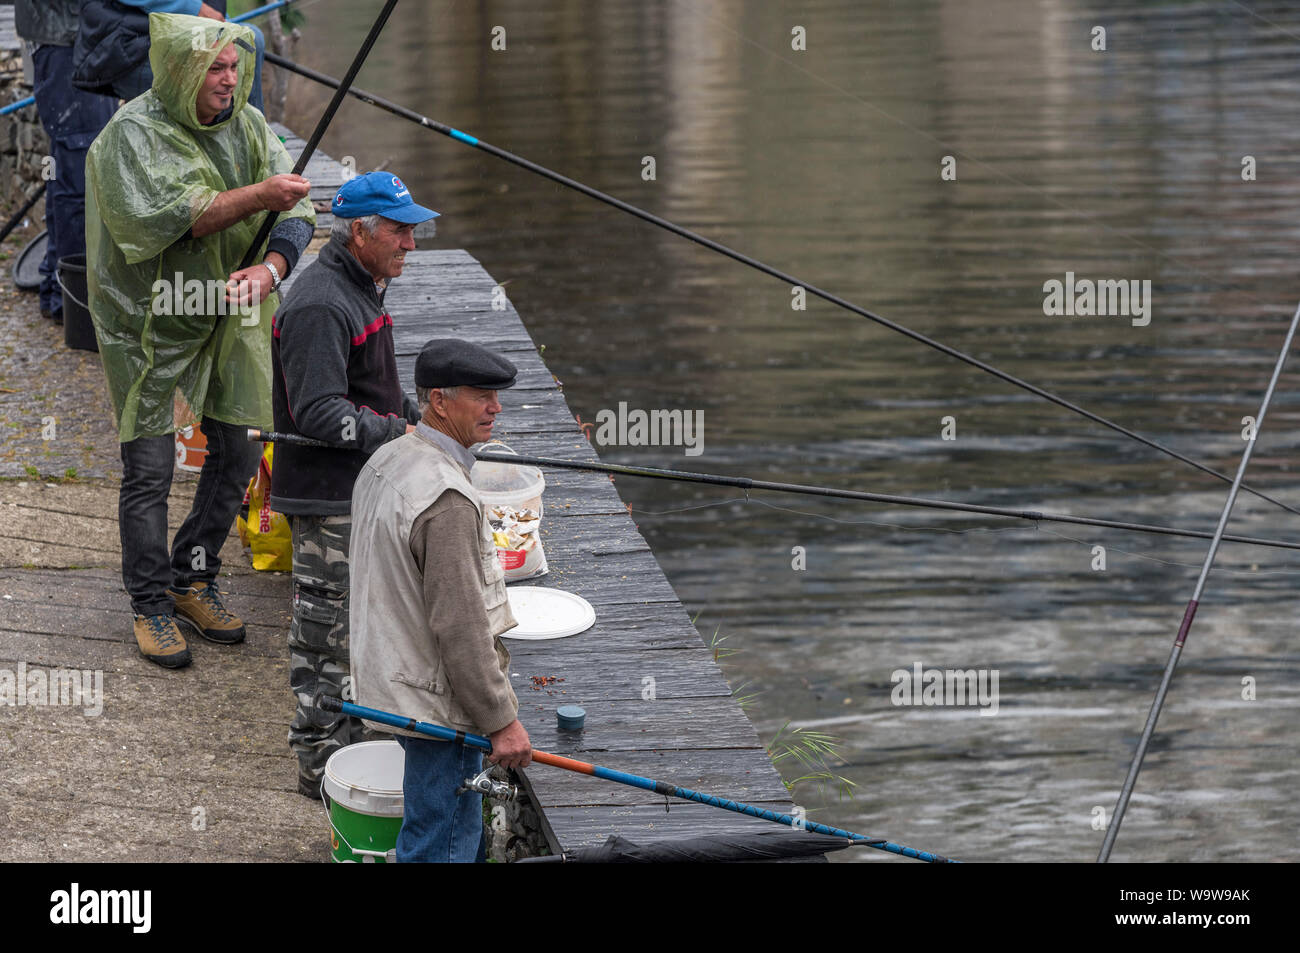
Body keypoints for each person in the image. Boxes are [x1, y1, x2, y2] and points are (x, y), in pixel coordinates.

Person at [85, 12, 314, 668]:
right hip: (148, 321)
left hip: (228, 311)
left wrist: (270, 268)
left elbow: (295, 207)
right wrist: (260, 194)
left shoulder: (247, 123)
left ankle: (192, 574)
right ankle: (150, 601)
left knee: (239, 453)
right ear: (182, 70)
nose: (229, 78)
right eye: (215, 68)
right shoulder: (131, 135)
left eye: (235, 66)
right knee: (152, 466)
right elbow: (171, 218)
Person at [269, 171, 439, 799]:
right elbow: (318, 412)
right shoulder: (321, 301)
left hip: (357, 492)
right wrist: (401, 433)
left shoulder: (361, 284)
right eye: (400, 231)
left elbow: (363, 390)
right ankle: (319, 768)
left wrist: (422, 420)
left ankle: (350, 753)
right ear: (360, 232)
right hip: (326, 500)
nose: (411, 245)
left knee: (358, 631)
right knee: (327, 635)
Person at [350, 339, 533, 863]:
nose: (496, 408)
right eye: (482, 397)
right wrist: (501, 720)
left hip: (395, 684)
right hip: (441, 706)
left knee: (440, 827)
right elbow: (461, 628)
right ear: (439, 401)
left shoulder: (390, 456)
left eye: (496, 397)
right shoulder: (446, 499)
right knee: (440, 845)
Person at [6, 0, 118, 323]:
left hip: (70, 39)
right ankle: (72, 301)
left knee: (64, 172)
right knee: (78, 178)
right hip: (65, 43)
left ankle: (57, 288)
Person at [73, 1, 267, 112]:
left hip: (184, 34)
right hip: (128, 43)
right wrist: (193, 7)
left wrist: (221, 22)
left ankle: (253, 148)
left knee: (251, 40)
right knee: (211, 72)